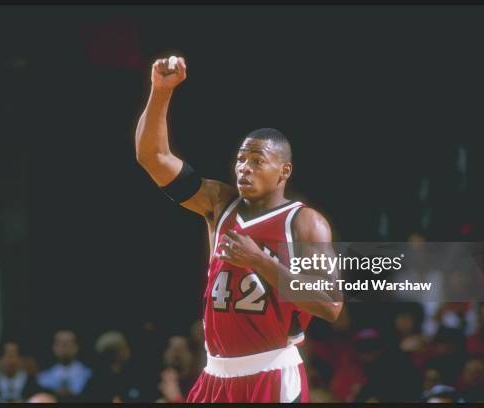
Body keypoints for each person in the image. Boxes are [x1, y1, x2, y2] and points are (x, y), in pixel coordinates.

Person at [135, 56, 343, 403]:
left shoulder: (304, 222)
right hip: (215, 374)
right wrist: (160, 92)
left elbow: (331, 305)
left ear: (284, 171)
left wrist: (259, 261)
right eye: (241, 160)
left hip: (270, 373)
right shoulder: (219, 202)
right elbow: (152, 157)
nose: (244, 168)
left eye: (257, 161)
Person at [37, 329, 92, 401]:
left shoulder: (88, 375)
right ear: (54, 347)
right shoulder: (43, 377)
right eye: (59, 343)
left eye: (67, 343)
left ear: (76, 347)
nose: (63, 348)